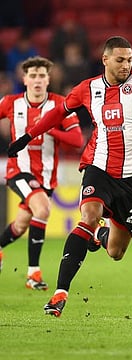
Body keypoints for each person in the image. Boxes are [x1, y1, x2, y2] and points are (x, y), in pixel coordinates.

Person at [7, 36, 132, 317]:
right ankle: (60, 293)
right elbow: (58, 112)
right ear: (105, 60)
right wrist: (28, 136)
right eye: (120, 60)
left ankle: (102, 235)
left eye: (129, 59)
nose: (126, 65)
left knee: (116, 252)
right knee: (88, 217)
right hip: (98, 167)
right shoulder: (87, 89)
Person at [0, 56, 83, 288]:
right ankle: (33, 273)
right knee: (43, 209)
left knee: (21, 223)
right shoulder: (10, 103)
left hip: (46, 176)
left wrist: (47, 129)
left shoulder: (60, 105)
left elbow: (77, 140)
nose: (37, 80)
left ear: (48, 80)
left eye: (42, 76)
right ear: (24, 79)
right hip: (19, 170)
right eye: (33, 76)